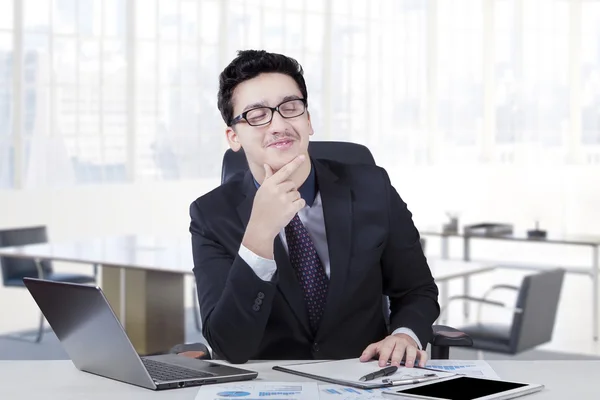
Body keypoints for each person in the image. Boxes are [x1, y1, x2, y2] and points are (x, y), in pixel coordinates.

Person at [189, 50, 439, 367]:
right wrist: (259, 235)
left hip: (363, 377)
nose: (278, 124)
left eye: (290, 108)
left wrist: (405, 334)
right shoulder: (210, 215)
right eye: (256, 115)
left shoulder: (372, 187)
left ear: (308, 121)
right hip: (271, 386)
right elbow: (230, 345)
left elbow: (417, 290)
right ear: (233, 137)